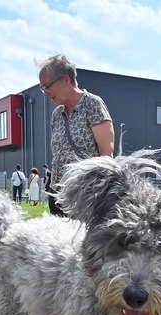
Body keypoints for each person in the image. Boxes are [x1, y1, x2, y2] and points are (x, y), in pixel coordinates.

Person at [37, 54, 114, 216]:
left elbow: (107, 155)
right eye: (42, 88)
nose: (45, 93)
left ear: (65, 80)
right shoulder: (57, 114)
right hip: (57, 195)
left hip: (84, 197)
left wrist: (99, 197)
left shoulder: (93, 104)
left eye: (47, 86)